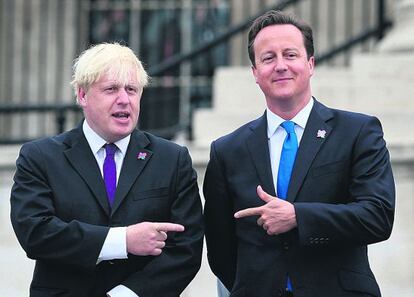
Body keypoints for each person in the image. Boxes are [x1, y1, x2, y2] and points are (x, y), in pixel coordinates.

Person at [203, 10, 395, 297]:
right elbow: (220, 248)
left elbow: (377, 216)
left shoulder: (357, 132)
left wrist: (298, 217)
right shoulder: (227, 150)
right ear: (255, 72)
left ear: (310, 63)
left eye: (290, 55)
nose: (280, 66)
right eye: (268, 58)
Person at [10, 43, 203, 297]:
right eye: (111, 89)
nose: (124, 99)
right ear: (82, 95)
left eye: (132, 90)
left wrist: (126, 294)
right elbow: (36, 233)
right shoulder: (40, 157)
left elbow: (185, 249)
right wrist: (122, 241)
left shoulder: (172, 159)